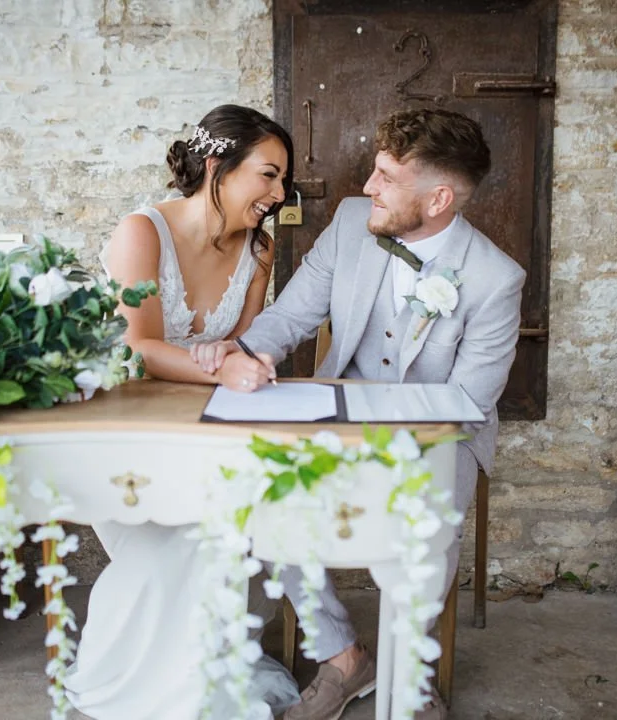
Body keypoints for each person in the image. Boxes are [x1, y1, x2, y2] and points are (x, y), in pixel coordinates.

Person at [192, 108, 526, 720]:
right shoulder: (351, 224)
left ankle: (412, 670)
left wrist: (389, 442)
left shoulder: (496, 279)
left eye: (385, 177)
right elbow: (290, 316)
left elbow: (470, 401)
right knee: (272, 492)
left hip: (440, 434)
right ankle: (343, 655)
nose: (367, 187)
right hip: (337, 415)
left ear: (439, 198)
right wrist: (246, 352)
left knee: (430, 511)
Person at [64, 104, 298, 720]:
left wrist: (239, 350)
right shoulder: (141, 232)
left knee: (237, 527)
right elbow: (137, 349)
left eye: (282, 180)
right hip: (124, 434)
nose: (279, 194)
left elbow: (241, 348)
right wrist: (218, 366)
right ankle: (133, 686)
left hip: (208, 435)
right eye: (268, 176)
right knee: (181, 544)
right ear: (218, 167)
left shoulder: (256, 250)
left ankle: (197, 679)